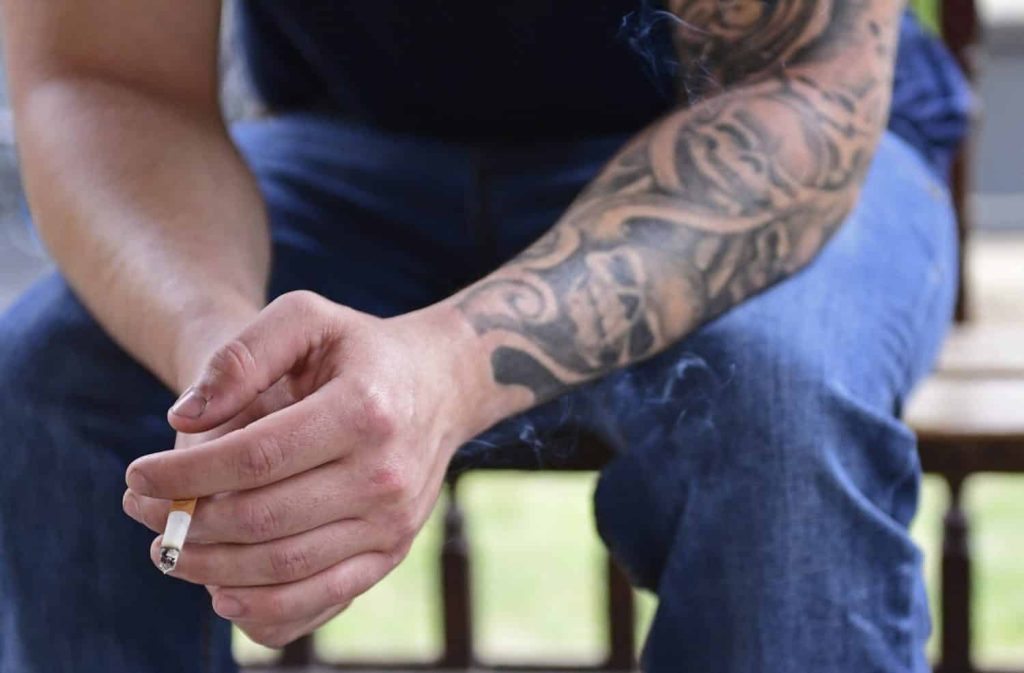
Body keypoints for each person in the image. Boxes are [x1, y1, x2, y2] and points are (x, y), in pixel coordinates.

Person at [0, 1, 971, 671]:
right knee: (64, 373)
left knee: (772, 397)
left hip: (751, 140)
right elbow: (105, 79)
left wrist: (457, 365)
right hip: (351, 148)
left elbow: (801, 90)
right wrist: (223, 366)